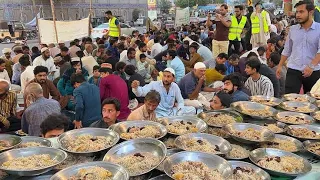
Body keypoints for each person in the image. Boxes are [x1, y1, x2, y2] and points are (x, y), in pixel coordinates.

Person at [277, 1, 320, 94]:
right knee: (289, 99)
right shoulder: (293, 30)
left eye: (301, 12)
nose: (298, 15)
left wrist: (311, 66)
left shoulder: (319, 29)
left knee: (313, 101)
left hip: (313, 71)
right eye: (297, 12)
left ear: (311, 12)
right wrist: (280, 65)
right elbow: (287, 50)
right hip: (294, 69)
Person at [132, 68, 196, 117]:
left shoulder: (175, 86)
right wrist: (136, 88)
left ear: (173, 78)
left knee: (192, 109)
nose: (165, 79)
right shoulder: (154, 84)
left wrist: (179, 113)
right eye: (164, 76)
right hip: (158, 113)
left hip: (171, 112)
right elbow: (141, 92)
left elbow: (180, 101)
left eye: (168, 76)